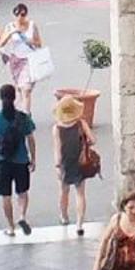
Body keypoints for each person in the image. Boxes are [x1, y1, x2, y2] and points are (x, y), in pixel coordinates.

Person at [0, 84, 36, 236]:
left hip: (4, 160)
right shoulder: (23, 118)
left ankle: (11, 227)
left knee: (5, 195)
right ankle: (22, 216)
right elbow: (31, 139)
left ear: (1, 98)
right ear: (15, 97)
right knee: (22, 192)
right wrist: (33, 158)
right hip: (21, 160)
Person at [52, 95, 97, 234]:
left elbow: (57, 150)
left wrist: (58, 166)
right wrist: (85, 142)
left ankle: (64, 217)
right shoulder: (81, 124)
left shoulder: (57, 129)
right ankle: (79, 224)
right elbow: (93, 140)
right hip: (80, 161)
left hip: (65, 162)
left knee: (64, 191)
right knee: (80, 193)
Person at [0, 3, 47, 111]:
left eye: (22, 15)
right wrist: (11, 33)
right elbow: (1, 43)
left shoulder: (31, 25)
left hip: (29, 60)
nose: (19, 18)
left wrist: (31, 41)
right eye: (17, 15)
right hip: (15, 60)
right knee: (19, 88)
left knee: (26, 89)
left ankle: (26, 114)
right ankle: (20, 110)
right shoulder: (10, 26)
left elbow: (39, 43)